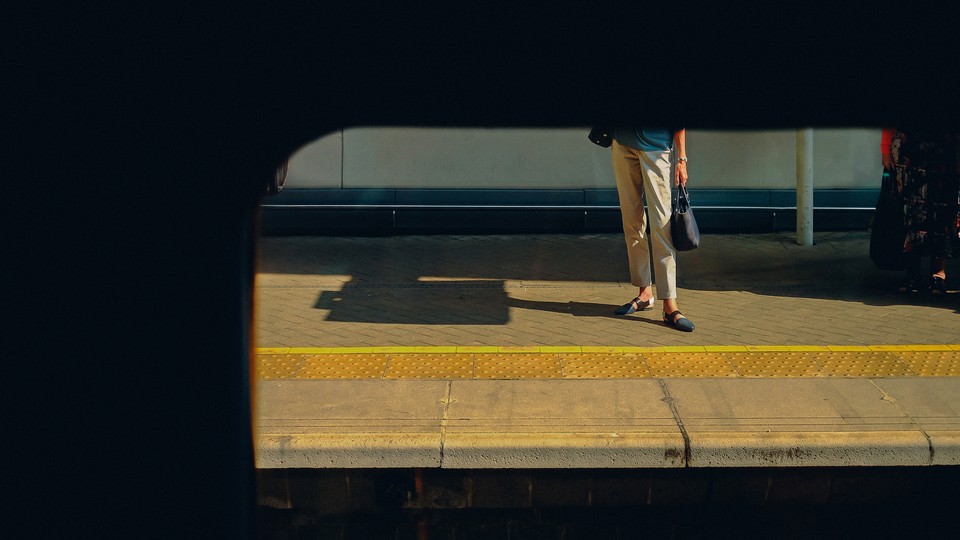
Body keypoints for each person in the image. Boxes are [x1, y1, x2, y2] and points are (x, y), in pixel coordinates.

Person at [610, 128, 694, 331]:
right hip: (622, 143)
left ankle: (669, 304)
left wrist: (681, 158)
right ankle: (645, 293)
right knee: (632, 222)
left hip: (656, 147)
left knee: (662, 226)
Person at [881, 127, 960, 295]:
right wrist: (885, 147)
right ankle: (912, 273)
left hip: (945, 148)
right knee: (910, 211)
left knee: (943, 211)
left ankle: (938, 274)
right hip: (909, 148)